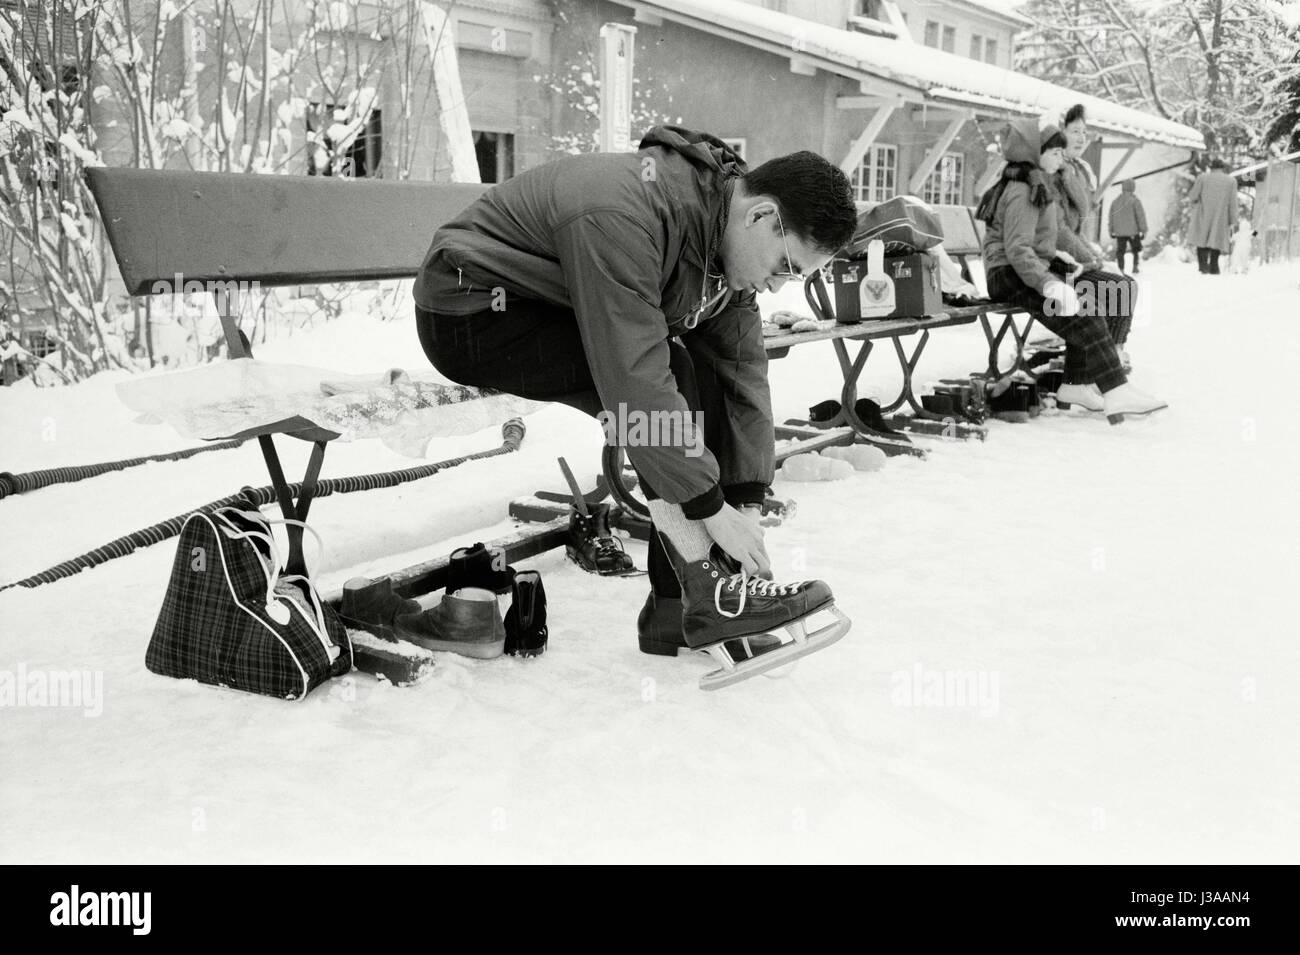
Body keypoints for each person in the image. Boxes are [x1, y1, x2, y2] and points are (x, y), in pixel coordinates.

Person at [412, 126, 858, 681]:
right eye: (786, 268)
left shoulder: (721, 242)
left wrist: (743, 495)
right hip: (473, 306)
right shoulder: (625, 211)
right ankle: (706, 596)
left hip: (553, 301)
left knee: (694, 371)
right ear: (762, 216)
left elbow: (739, 371)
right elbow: (633, 379)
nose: (776, 289)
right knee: (665, 375)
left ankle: (685, 609)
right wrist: (708, 509)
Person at [976, 119, 1166, 423]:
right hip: (1009, 275)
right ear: (1033, 152)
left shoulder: (1033, 183)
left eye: (1061, 153)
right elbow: (1017, 250)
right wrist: (1050, 285)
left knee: (1094, 303)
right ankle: (1115, 390)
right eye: (1052, 152)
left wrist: (1060, 263)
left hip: (1021, 271)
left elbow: (1036, 244)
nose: (1059, 158)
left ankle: (1075, 385)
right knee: (1084, 312)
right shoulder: (1023, 189)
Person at [1188, 158, 1236, 274]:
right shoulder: (1231, 181)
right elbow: (1233, 202)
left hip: (1203, 214)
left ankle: (1203, 266)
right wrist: (1232, 220)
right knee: (1216, 239)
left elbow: (1193, 196)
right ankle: (1214, 266)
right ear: (1222, 167)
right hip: (1221, 216)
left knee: (1202, 240)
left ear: (1211, 167)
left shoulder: (1202, 178)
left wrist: (1196, 204)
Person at [1109, 179, 1147, 274]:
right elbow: (1140, 216)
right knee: (1136, 250)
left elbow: (1111, 217)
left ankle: (1121, 269)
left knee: (1120, 251)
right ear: (1133, 188)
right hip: (1133, 232)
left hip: (1120, 232)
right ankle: (1135, 267)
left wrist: (1111, 230)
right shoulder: (1135, 201)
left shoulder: (1115, 202)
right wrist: (1144, 230)